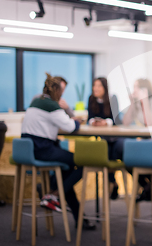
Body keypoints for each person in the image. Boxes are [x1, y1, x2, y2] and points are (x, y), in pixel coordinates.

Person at [21, 73, 96, 230]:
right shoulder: (52, 106)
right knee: (84, 162)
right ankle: (53, 195)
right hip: (42, 150)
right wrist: (75, 121)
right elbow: (70, 127)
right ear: (57, 91)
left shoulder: (36, 101)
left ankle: (78, 217)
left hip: (30, 149)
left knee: (66, 172)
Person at [122, 78, 152, 202]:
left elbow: (150, 124)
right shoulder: (137, 104)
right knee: (127, 156)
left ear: (144, 89)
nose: (134, 90)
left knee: (134, 153)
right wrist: (132, 103)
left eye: (136, 87)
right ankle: (148, 186)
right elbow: (126, 122)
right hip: (148, 141)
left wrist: (145, 101)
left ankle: (150, 188)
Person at [87, 77, 125, 200]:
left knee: (112, 151)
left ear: (105, 88)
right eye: (94, 85)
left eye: (99, 86)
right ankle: (113, 184)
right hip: (102, 138)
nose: (96, 88)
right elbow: (90, 117)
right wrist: (93, 122)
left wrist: (106, 122)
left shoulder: (112, 98)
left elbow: (116, 120)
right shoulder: (91, 99)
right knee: (105, 151)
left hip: (114, 137)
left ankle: (113, 183)